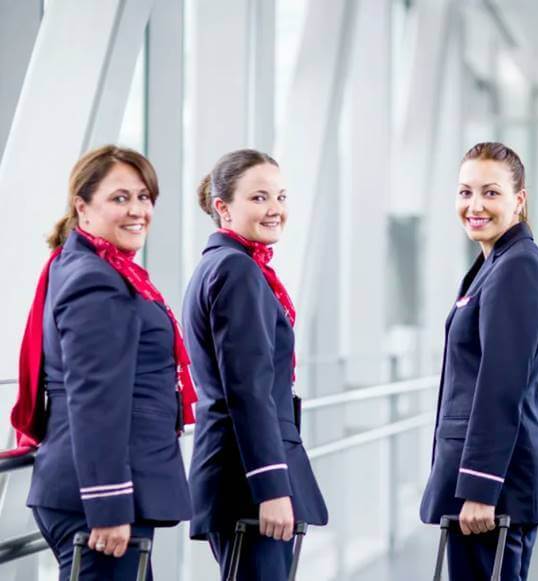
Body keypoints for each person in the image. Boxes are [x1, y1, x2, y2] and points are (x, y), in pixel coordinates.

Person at [13, 145, 195, 579]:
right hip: (98, 502)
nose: (138, 210)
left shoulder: (90, 267)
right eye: (120, 198)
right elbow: (94, 398)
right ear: (83, 206)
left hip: (101, 494)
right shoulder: (95, 280)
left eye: (144, 197)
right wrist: (108, 504)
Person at [183, 149, 328, 580]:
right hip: (247, 483)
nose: (275, 210)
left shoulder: (222, 266)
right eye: (260, 198)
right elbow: (248, 389)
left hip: (236, 476)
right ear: (223, 208)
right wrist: (271, 487)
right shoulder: (236, 270)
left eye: (281, 197)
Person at [419, 142, 538, 581]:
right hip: (485, 483)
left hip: (495, 490)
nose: (474, 205)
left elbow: (501, 387)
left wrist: (479, 488)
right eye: (465, 192)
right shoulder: (492, 264)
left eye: (490, 193)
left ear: (519, 199)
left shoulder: (517, 267)